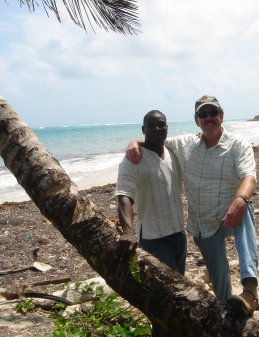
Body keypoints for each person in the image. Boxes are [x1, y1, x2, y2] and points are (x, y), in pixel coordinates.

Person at [126, 96, 258, 316]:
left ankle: (250, 289)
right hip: (203, 224)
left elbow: (249, 178)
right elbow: (155, 139)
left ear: (221, 116)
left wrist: (240, 200)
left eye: (213, 113)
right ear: (196, 120)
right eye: (203, 114)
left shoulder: (238, 144)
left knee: (246, 208)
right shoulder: (185, 143)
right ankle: (233, 309)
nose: (209, 117)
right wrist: (133, 143)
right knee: (219, 277)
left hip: (230, 215)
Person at [115, 110, 186, 337]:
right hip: (154, 240)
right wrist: (128, 231)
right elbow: (125, 195)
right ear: (143, 129)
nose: (157, 128)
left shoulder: (173, 153)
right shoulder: (133, 158)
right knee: (172, 297)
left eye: (161, 125)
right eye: (151, 125)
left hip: (179, 237)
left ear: (167, 128)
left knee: (170, 297)